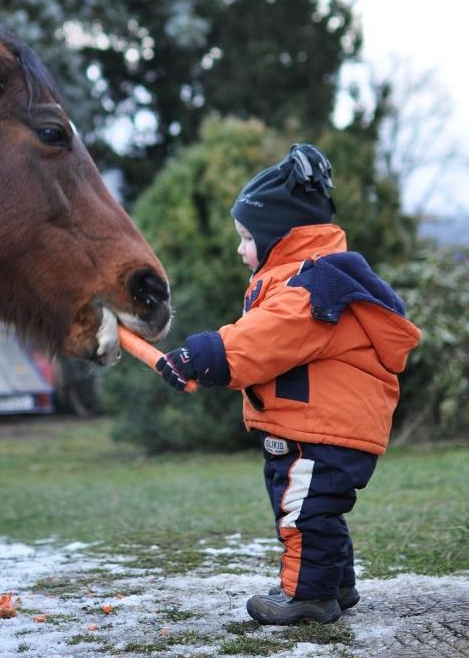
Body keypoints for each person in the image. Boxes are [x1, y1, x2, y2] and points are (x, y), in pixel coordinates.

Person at [156, 143, 421, 626]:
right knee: (317, 509)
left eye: (246, 237)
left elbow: (263, 339)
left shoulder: (310, 287)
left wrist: (201, 357)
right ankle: (335, 585)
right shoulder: (301, 280)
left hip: (319, 429)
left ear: (280, 235)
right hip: (318, 426)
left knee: (301, 512)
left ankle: (307, 596)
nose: (240, 249)